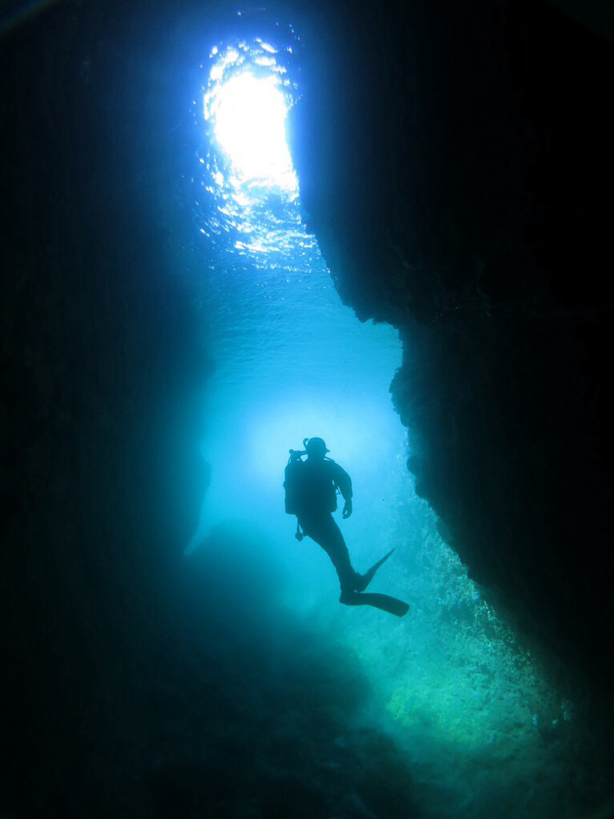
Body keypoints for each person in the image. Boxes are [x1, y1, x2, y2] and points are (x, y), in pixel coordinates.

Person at [284, 438, 409, 617]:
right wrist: (348, 501)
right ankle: (349, 591)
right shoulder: (326, 466)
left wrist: (347, 501)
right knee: (339, 551)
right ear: (322, 452)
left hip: (306, 521)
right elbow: (344, 479)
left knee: (337, 552)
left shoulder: (298, 469)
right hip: (320, 518)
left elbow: (343, 479)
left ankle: (353, 583)